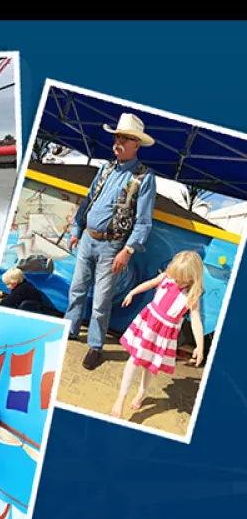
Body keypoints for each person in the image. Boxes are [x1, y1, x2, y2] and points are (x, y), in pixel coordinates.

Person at [64, 113, 158, 371]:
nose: (118, 142)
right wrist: (76, 228)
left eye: (125, 138)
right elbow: (88, 200)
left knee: (101, 300)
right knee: (76, 289)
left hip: (112, 246)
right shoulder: (105, 168)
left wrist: (127, 251)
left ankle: (95, 346)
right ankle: (69, 331)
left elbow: (143, 221)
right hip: (87, 239)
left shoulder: (144, 177)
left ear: (136, 144)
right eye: (117, 137)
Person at [109, 251, 205, 418]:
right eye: (175, 275)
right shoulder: (167, 277)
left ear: (191, 279)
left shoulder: (191, 295)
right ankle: (121, 398)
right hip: (149, 325)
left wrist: (200, 346)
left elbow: (196, 319)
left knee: (150, 366)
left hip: (164, 334)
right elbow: (149, 283)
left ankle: (142, 392)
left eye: (181, 279)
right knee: (134, 359)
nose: (176, 280)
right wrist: (132, 292)